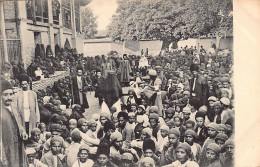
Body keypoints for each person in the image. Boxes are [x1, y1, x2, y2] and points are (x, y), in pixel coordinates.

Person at [1, 79, 28, 167]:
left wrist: (23, 132)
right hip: (6, 150)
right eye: (5, 95)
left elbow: (19, 125)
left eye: (11, 94)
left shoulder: (14, 108)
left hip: (18, 147)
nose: (9, 97)